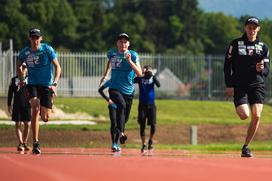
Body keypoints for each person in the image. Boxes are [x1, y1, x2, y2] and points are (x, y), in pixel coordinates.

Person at [224, 17, 270, 157]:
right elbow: (227, 65)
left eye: (254, 27)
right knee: (244, 115)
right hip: (240, 85)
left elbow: (267, 71)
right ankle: (240, 105)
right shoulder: (236, 44)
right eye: (249, 27)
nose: (252, 30)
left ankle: (246, 147)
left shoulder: (263, 47)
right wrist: (229, 84)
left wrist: (260, 69)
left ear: (258, 29)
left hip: (257, 84)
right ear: (245, 28)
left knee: (257, 115)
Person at [17, 28, 61, 154]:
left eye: (37, 38)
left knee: (46, 118)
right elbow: (18, 65)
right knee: (35, 108)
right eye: (32, 38)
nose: (35, 40)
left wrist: (54, 84)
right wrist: (21, 79)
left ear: (40, 38)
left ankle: (48, 102)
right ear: (29, 39)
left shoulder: (47, 49)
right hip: (33, 84)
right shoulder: (25, 53)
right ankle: (36, 142)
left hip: (47, 85)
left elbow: (57, 67)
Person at [99, 33, 142, 145]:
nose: (123, 43)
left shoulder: (133, 55)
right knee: (121, 105)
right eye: (121, 41)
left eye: (125, 41)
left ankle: (118, 132)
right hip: (114, 88)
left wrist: (129, 61)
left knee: (124, 118)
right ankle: (121, 134)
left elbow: (140, 73)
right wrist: (106, 75)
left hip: (128, 91)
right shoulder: (112, 53)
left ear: (128, 44)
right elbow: (110, 62)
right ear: (117, 43)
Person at [134, 65, 160, 153]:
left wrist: (153, 75)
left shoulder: (152, 78)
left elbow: (158, 85)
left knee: (153, 124)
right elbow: (133, 80)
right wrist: (140, 74)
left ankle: (150, 141)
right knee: (142, 124)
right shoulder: (140, 78)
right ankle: (143, 144)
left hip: (151, 105)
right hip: (142, 105)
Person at [7, 63, 31, 152]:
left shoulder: (30, 79)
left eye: (25, 67)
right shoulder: (14, 80)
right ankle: (20, 143)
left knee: (27, 124)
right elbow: (10, 93)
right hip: (17, 105)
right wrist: (9, 105)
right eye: (21, 67)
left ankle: (25, 142)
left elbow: (34, 92)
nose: (23, 69)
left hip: (27, 105)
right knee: (18, 124)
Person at [98, 79, 121, 152]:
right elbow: (100, 90)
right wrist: (108, 99)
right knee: (114, 123)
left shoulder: (123, 81)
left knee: (119, 124)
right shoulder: (110, 81)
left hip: (121, 107)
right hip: (112, 106)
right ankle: (113, 143)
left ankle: (117, 143)